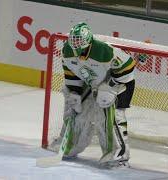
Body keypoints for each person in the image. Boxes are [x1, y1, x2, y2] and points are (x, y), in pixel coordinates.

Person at [49, 22, 136, 168]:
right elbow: (71, 73)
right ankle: (69, 146)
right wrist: (74, 92)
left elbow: (128, 68)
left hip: (117, 82)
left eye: (79, 42)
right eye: (73, 42)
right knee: (76, 110)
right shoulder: (68, 50)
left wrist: (111, 87)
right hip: (91, 82)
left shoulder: (104, 51)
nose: (76, 46)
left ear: (89, 41)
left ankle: (118, 157)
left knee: (109, 116)